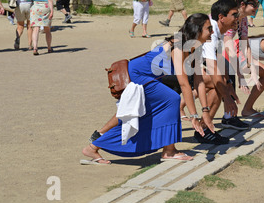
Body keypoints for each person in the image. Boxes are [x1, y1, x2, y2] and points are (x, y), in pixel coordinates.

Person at [81, 13, 216, 164]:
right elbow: (184, 83)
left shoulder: (196, 46)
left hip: (149, 78)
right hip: (136, 75)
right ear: (197, 30)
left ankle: (92, 147)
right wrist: (194, 116)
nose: (212, 31)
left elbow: (199, 80)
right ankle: (169, 151)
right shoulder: (179, 44)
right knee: (172, 99)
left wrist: (205, 111)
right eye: (209, 28)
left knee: (140, 114)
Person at [201, 0, 249, 133]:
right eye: (234, 15)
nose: (237, 18)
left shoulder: (218, 31)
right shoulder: (211, 31)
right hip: (166, 67)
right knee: (217, 86)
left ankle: (205, 129)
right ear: (221, 17)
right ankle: (204, 131)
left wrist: (228, 84)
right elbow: (212, 67)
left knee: (221, 83)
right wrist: (227, 97)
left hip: (181, 65)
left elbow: (220, 62)